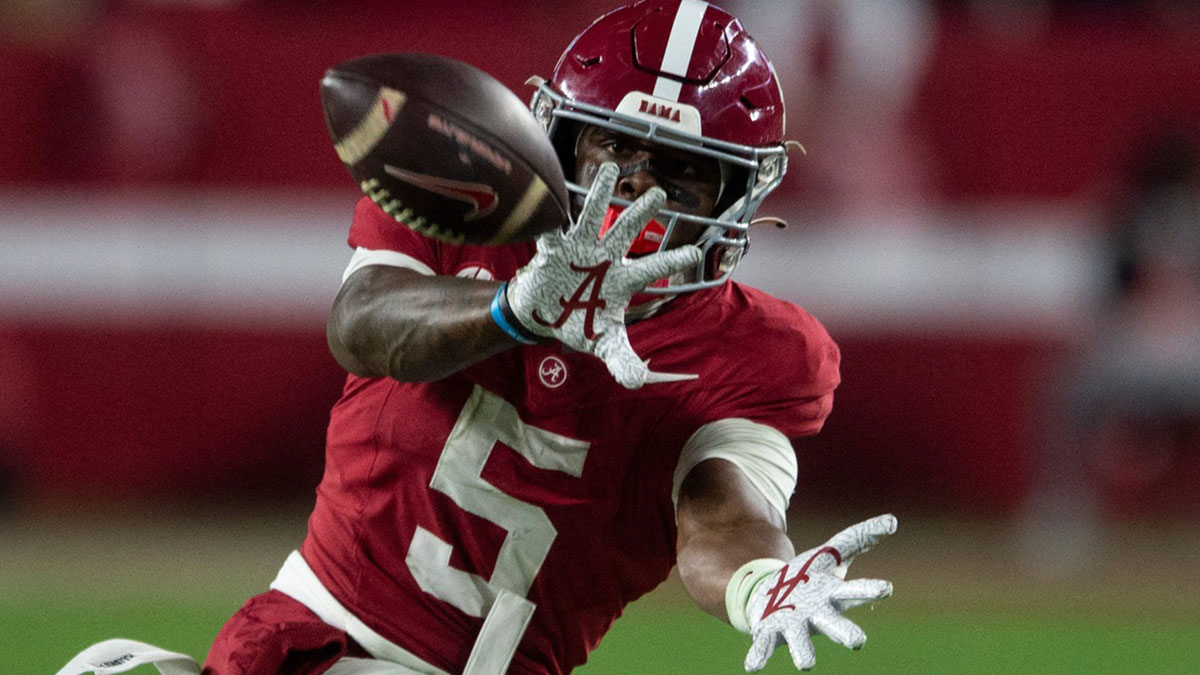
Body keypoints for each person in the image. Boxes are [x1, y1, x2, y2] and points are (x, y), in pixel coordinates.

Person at [58, 2, 896, 674]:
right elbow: (361, 325)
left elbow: (723, 513)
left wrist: (758, 581)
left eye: (679, 169)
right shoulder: (458, 206)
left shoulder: (760, 353)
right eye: (613, 148)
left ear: (737, 200)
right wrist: (513, 309)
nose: (635, 188)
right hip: (324, 635)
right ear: (555, 140)